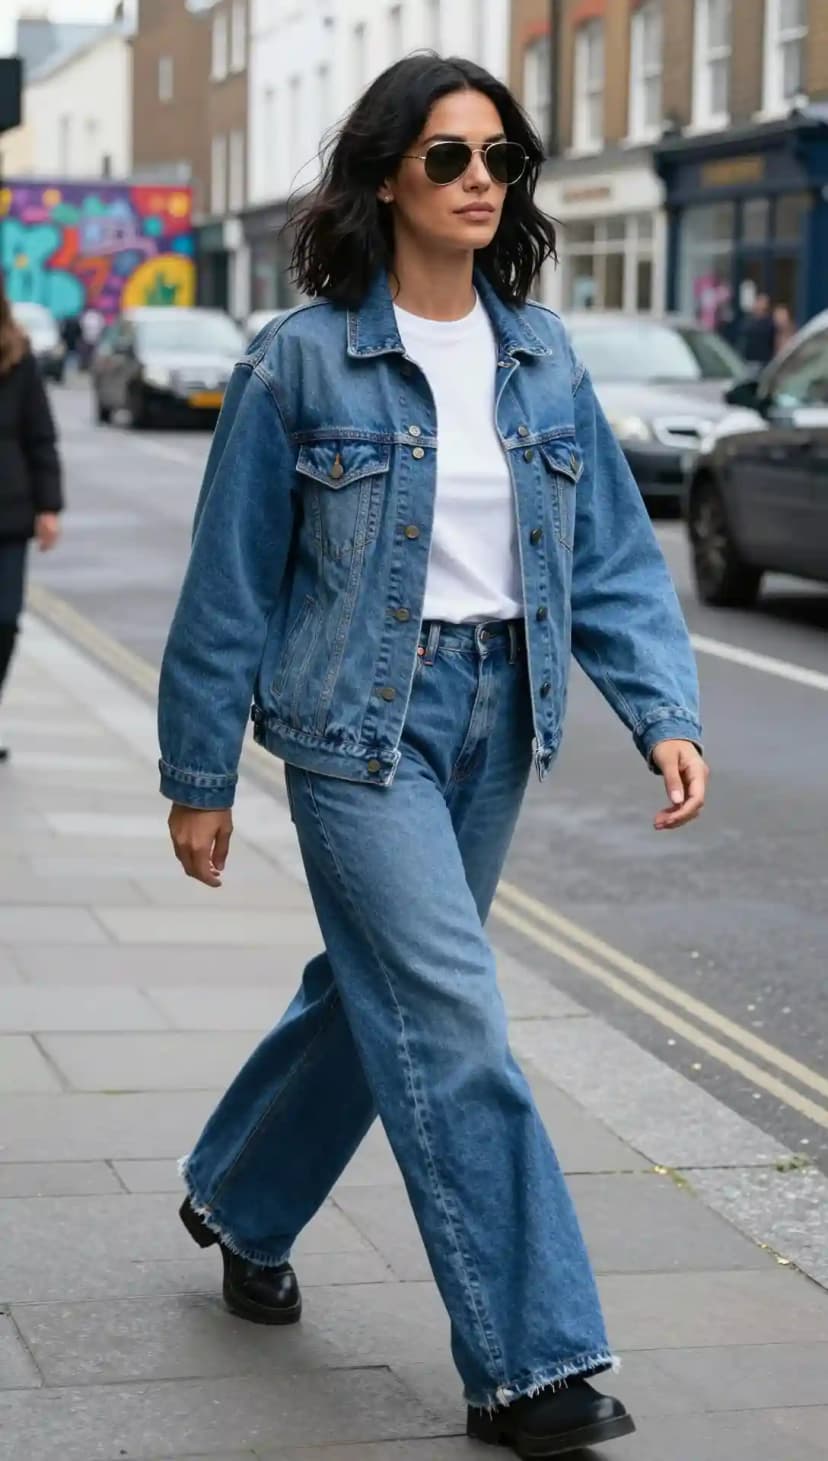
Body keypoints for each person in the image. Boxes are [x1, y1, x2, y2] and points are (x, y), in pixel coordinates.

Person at [158, 55, 707, 1459]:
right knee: (456, 1025)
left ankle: (240, 1194)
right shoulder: (299, 359)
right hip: (359, 731)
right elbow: (231, 584)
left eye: (501, 160)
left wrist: (665, 710)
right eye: (451, 157)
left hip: (496, 724)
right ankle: (531, 1364)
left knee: (376, 992)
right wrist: (200, 771)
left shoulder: (544, 354)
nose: (482, 182)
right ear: (388, 175)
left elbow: (610, 562)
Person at [0, 275, 62, 761]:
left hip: (9, 513)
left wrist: (48, 508)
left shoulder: (18, 358)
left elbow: (41, 436)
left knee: (4, 620)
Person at [738, 292, 776, 367]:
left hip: (763, 360)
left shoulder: (769, 322)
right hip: (747, 359)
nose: (760, 305)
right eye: (759, 302)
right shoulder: (749, 320)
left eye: (763, 302)